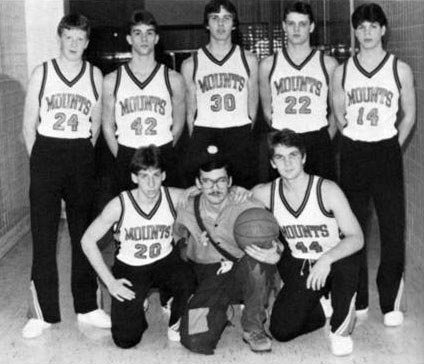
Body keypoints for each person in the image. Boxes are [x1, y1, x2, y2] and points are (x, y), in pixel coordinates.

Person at [21, 14, 110, 339]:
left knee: (82, 234)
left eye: (80, 39)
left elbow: (96, 125)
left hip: (80, 154)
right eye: (68, 37)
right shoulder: (42, 72)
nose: (74, 44)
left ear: (87, 42)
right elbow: (27, 126)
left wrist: (80, 157)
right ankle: (42, 313)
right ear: (60, 38)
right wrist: (41, 163)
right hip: (46, 153)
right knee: (44, 237)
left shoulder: (95, 75)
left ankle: (87, 307)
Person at [332, 3, 415, 326]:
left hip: (386, 153)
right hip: (354, 152)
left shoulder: (400, 69)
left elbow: (409, 114)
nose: (366, 33)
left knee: (392, 227)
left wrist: (392, 145)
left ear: (383, 30)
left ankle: (390, 300)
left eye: (372, 26)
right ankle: (358, 295)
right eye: (361, 27)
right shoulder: (343, 70)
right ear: (355, 31)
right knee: (354, 227)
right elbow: (339, 113)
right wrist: (353, 136)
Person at [250, 129, 363, 356]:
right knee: (281, 330)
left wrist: (327, 258)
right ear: (273, 163)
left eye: (293, 155)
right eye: (280, 157)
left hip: (334, 260)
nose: (287, 163)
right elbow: (234, 200)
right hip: (300, 264)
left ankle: (340, 331)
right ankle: (320, 307)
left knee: (348, 264)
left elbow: (357, 237)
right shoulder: (265, 193)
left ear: (303, 158)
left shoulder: (327, 190)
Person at [81, 145, 196, 348]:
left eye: (156, 175)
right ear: (134, 178)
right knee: (125, 340)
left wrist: (198, 189)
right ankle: (137, 306)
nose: (151, 183)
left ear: (164, 175)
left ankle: (174, 317)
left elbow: (211, 192)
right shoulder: (120, 204)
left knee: (189, 278)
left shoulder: (174, 196)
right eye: (144, 176)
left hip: (165, 261)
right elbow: (87, 240)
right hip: (131, 267)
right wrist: (110, 282)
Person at [175, 148, 273, 355]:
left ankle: (253, 327)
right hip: (209, 278)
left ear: (230, 182)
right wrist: (190, 246)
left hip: (241, 271)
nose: (214, 187)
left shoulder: (248, 205)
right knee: (195, 340)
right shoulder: (186, 207)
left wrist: (276, 251)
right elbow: (178, 245)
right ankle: (221, 310)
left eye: (220, 181)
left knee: (258, 262)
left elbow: (271, 240)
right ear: (198, 183)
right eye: (207, 181)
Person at [102, 10, 186, 191]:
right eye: (137, 33)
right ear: (129, 39)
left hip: (162, 151)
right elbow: (107, 126)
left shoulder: (173, 78)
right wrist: (122, 155)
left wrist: (166, 148)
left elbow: (178, 124)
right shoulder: (112, 80)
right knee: (128, 214)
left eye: (149, 33)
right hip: (127, 152)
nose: (144, 39)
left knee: (168, 212)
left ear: (156, 38)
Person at [181, 0, 259, 188]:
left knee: (242, 192)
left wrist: (243, 132)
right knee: (207, 191)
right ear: (207, 24)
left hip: (239, 131)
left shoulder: (248, 59)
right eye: (215, 18)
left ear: (234, 24)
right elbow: (191, 113)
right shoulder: (191, 63)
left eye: (227, 18)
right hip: (205, 131)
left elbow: (253, 108)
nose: (221, 24)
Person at [259, 1, 338, 181]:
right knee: (282, 201)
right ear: (284, 27)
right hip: (283, 141)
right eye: (291, 24)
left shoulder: (328, 64)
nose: (296, 29)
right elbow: (266, 110)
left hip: (317, 140)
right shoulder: (268, 65)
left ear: (311, 27)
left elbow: (336, 111)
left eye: (302, 24)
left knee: (321, 201)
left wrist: (324, 138)